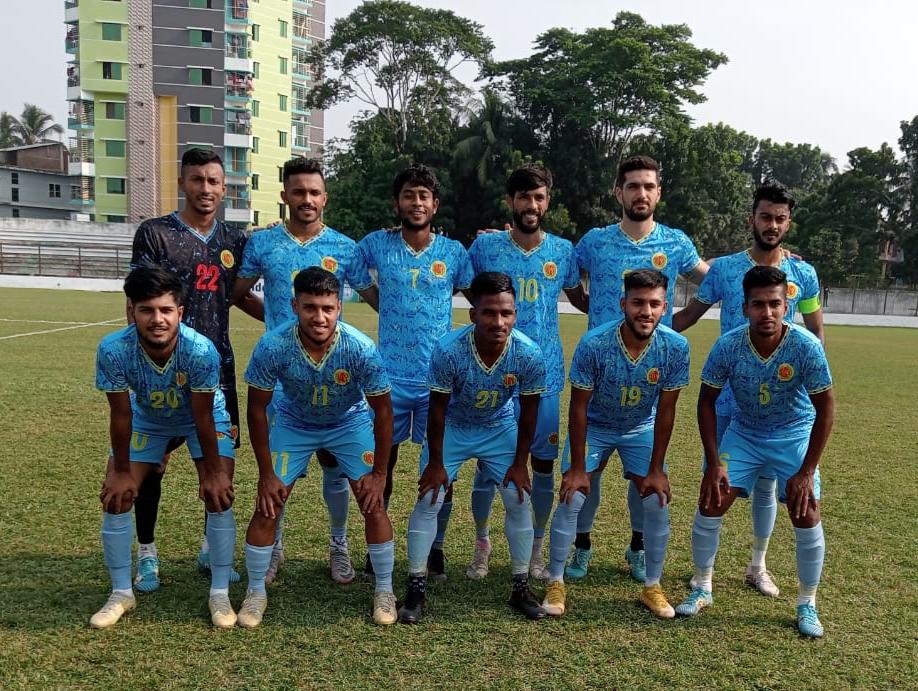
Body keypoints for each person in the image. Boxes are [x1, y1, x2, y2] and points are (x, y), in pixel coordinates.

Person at [673, 181, 824, 597]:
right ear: (751, 219)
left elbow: (815, 331)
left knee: (769, 485)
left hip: (782, 403)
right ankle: (703, 577)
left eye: (780, 218)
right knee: (716, 483)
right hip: (728, 401)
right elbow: (688, 316)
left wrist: (811, 374)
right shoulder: (723, 270)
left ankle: (758, 565)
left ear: (788, 222)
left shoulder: (804, 274)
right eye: (765, 216)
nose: (772, 225)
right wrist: (642, 329)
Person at [231, 157, 376, 586]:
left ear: (324, 197)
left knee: (336, 465)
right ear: (285, 196)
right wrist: (276, 325)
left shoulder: (346, 248)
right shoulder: (262, 243)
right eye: (299, 191)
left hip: (332, 374)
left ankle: (338, 544)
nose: (307, 199)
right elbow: (237, 294)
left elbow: (377, 298)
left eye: (314, 192)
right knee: (280, 470)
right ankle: (274, 547)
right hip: (282, 377)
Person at [566, 154, 707, 583]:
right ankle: (582, 545)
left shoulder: (676, 242)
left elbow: (716, 279)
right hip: (600, 374)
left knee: (644, 476)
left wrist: (678, 323)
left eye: (648, 186)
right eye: (633, 186)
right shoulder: (594, 241)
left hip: (647, 380)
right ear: (618, 193)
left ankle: (638, 548)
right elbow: (569, 281)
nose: (640, 193)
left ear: (658, 193)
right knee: (587, 475)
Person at [675, 266, 834, 639]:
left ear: (786, 306)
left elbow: (826, 408)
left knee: (806, 511)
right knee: (711, 500)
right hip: (744, 433)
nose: (767, 312)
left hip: (793, 434)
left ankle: (807, 603)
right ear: (744, 307)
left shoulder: (805, 346)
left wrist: (806, 471)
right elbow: (706, 401)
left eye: (775, 304)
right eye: (758, 304)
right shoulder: (729, 345)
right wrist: (714, 463)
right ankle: (702, 587)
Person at [128, 148, 260, 591]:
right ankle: (147, 552)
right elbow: (139, 299)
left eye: (213, 181)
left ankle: (210, 547)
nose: (206, 189)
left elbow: (240, 295)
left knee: (218, 464)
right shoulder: (156, 233)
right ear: (182, 182)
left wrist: (285, 320)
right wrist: (145, 358)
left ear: (224, 188)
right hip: (162, 369)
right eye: (197, 179)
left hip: (217, 367)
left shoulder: (235, 240)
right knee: (152, 463)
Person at [237, 267, 397, 627]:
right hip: (294, 423)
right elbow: (256, 408)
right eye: (310, 307)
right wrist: (265, 474)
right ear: (295, 306)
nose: (319, 317)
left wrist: (379, 474)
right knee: (268, 505)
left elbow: (384, 412)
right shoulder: (274, 345)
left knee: (372, 503)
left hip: (348, 423)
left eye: (327, 308)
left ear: (339, 307)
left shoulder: (360, 348)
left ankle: (385, 590)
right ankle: (255, 592)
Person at [91, 266, 237, 629]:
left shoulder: (200, 350)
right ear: (132, 311)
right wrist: (121, 471)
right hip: (148, 419)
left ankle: (219, 592)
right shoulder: (113, 349)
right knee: (117, 496)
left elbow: (202, 416)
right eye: (147, 310)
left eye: (166, 310)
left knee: (219, 494)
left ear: (179, 313)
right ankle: (121, 592)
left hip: (199, 418)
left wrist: (214, 472)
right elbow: (121, 414)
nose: (157, 319)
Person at [397, 272, 547, 624]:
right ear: (473, 314)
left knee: (518, 499)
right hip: (455, 426)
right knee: (429, 498)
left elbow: (529, 412)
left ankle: (520, 587)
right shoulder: (449, 349)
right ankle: (416, 587)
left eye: (506, 313)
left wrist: (520, 463)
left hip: (498, 427)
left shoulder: (529, 353)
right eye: (489, 313)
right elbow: (436, 410)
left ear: (515, 314)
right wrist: (436, 463)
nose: (499, 321)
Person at [542, 269, 689, 618]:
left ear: (665, 307)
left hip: (640, 428)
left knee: (656, 498)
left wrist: (656, 469)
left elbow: (667, 410)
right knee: (573, 495)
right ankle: (555, 580)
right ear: (623, 303)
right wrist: (578, 469)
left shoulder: (675, 346)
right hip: (596, 426)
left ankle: (652, 586)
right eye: (638, 303)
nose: (646, 311)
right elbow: (578, 408)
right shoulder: (595, 343)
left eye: (654, 304)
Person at [355, 164, 474, 581]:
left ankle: (436, 547)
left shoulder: (454, 253)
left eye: (424, 196)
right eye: (409, 195)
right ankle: (378, 542)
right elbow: (354, 273)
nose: (416, 202)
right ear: (397, 202)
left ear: (435, 204)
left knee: (441, 466)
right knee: (381, 466)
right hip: (388, 378)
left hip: (437, 381)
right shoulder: (376, 244)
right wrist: (383, 304)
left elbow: (470, 289)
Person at [465, 165, 581, 580]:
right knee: (487, 465)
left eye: (539, 197)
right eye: (524, 197)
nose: (531, 205)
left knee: (542, 466)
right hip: (493, 376)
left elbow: (582, 298)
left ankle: (536, 546)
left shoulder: (563, 251)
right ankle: (482, 542)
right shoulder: (484, 248)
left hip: (544, 377)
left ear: (547, 201)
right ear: (510, 201)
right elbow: (469, 292)